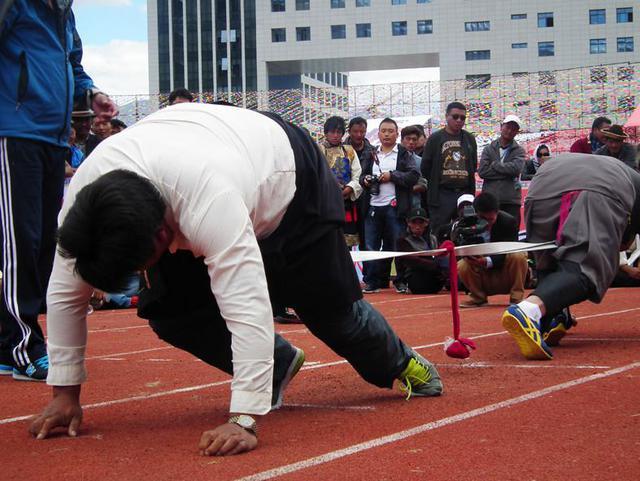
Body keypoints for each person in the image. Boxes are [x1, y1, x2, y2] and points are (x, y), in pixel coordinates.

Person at [29, 104, 442, 455]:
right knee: (170, 311)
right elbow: (65, 295)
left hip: (286, 175)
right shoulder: (84, 210)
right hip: (203, 159)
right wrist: (64, 394)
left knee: (327, 310)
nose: (142, 273)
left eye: (141, 265)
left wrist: (244, 418)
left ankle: (404, 364)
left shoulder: (207, 198)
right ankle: (278, 364)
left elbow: (247, 304)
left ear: (161, 235)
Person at [0, 0, 117, 381]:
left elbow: (74, 65)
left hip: (52, 137)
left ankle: (9, 343)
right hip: (12, 131)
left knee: (40, 244)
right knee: (21, 240)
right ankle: (22, 343)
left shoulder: (63, 13)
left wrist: (90, 95)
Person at [501, 153, 640, 360]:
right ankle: (529, 309)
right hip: (597, 187)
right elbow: (610, 247)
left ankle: (552, 315)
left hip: (541, 186)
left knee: (548, 262)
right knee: (587, 267)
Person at [360, 118, 420, 294]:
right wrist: (365, 180)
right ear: (378, 134)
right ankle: (371, 281)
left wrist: (391, 176)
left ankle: (400, 281)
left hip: (395, 206)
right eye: (383, 131)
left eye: (390, 131)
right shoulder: (371, 153)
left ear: (396, 133)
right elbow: (361, 176)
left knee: (396, 245)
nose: (386, 134)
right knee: (370, 245)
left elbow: (413, 176)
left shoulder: (403, 153)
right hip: (372, 205)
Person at [457, 193, 528, 308]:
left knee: (518, 255)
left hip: (504, 272)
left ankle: (516, 298)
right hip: (481, 274)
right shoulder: (467, 223)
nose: (487, 223)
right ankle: (478, 297)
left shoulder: (508, 222)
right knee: (462, 265)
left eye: (491, 219)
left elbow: (509, 249)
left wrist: (487, 260)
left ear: (497, 212)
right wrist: (470, 257)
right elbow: (461, 246)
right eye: (483, 219)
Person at [421, 102, 478, 232]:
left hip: (464, 193)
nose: (459, 120)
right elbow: (425, 167)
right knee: (440, 232)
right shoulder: (435, 138)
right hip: (441, 194)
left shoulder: (469, 139)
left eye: (462, 118)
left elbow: (473, 165)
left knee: (466, 231)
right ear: (447, 116)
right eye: (455, 116)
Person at [317, 116, 363, 247]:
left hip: (346, 202)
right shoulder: (318, 150)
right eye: (332, 132)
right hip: (326, 203)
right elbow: (316, 175)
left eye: (339, 132)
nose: (335, 135)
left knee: (346, 244)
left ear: (343, 134)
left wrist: (350, 188)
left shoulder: (349, 150)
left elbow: (357, 174)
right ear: (326, 133)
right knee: (327, 242)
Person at [478, 115, 526, 227]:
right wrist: (506, 173)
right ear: (501, 126)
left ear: (517, 132)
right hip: (490, 202)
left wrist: (495, 165)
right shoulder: (489, 149)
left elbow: (516, 169)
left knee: (511, 235)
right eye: (507, 127)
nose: (509, 131)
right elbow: (483, 172)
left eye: (514, 129)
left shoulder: (519, 151)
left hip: (511, 201)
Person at [395, 207, 445, 294]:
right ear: (408, 223)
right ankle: (400, 283)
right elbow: (412, 261)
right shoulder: (403, 240)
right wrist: (437, 266)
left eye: (421, 222)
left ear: (426, 223)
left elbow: (441, 256)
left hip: (435, 281)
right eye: (414, 222)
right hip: (415, 279)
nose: (417, 226)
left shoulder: (433, 238)